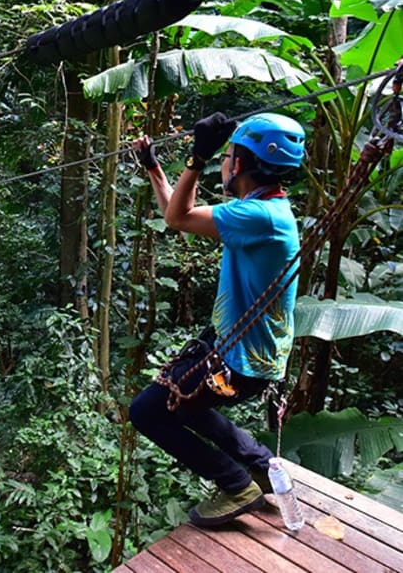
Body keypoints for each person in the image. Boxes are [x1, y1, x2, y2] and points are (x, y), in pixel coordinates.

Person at [128, 112, 305, 527]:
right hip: (241, 350)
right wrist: (155, 169)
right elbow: (181, 214)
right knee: (186, 407)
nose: (222, 163)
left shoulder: (259, 217)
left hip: (242, 359)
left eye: (226, 156)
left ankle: (236, 484)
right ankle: (260, 465)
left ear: (239, 164)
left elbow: (177, 217)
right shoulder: (261, 209)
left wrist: (197, 157)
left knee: (147, 412)